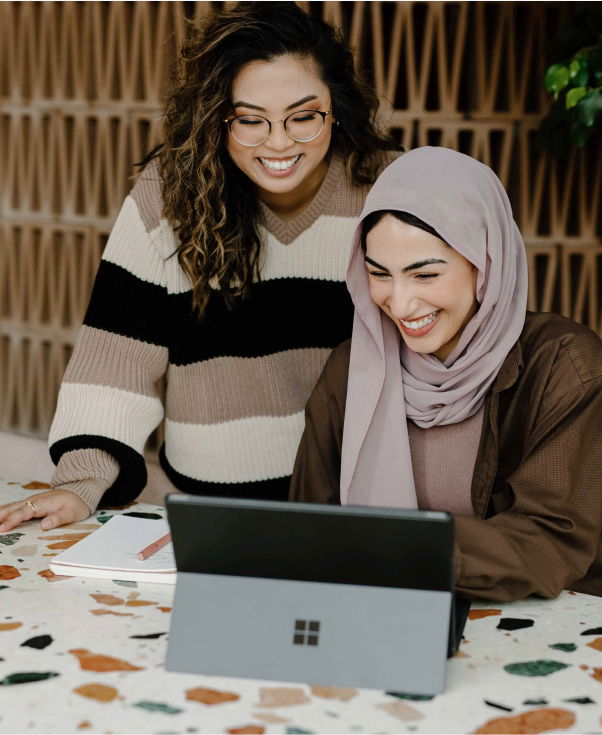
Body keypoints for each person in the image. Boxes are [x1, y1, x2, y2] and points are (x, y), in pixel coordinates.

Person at [0, 2, 399, 533]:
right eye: (250, 120)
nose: (279, 142)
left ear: (336, 109)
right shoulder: (168, 197)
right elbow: (117, 358)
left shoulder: (388, 190)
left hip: (355, 505)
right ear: (217, 118)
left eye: (303, 117)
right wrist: (81, 482)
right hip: (207, 511)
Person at [289, 146, 602, 602]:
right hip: (383, 613)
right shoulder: (350, 370)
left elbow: (551, 539)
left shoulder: (565, 366)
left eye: (425, 275)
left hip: (533, 624)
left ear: (485, 263)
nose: (400, 303)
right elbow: (308, 525)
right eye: (380, 274)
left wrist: (401, 548)